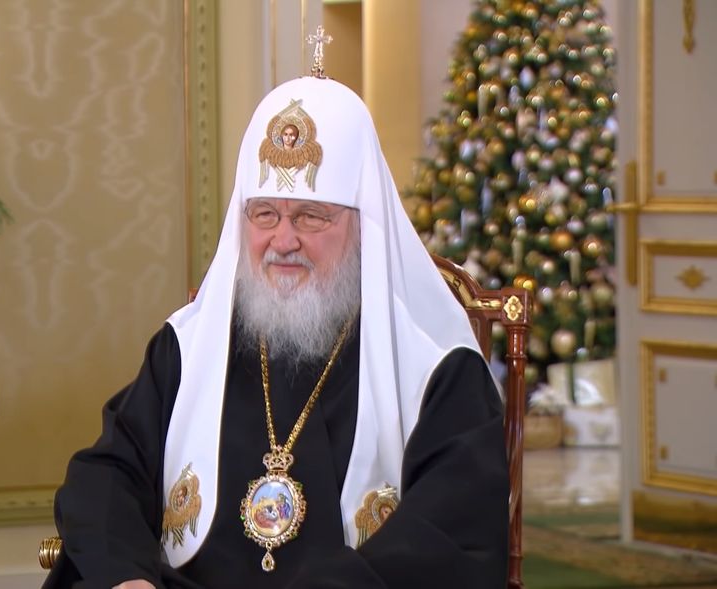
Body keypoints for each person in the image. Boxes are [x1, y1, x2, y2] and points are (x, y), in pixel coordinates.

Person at [44, 71, 509, 588]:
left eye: (311, 216)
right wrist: (127, 579)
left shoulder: (435, 368)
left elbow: (449, 534)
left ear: (364, 227)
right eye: (264, 214)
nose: (282, 241)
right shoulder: (188, 349)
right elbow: (106, 475)